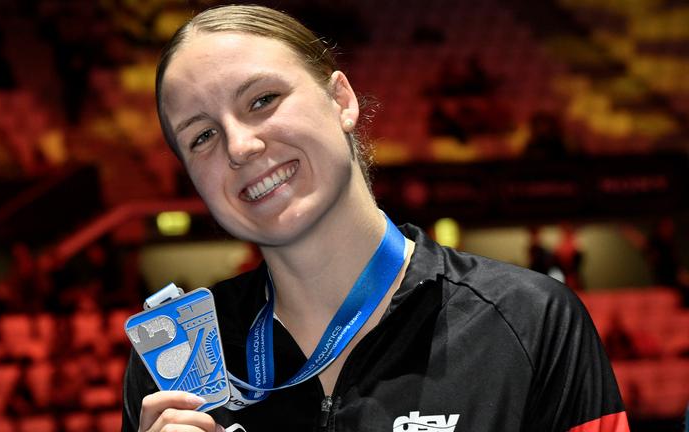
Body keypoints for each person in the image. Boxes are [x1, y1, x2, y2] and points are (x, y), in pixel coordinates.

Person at [122, 5, 628, 431]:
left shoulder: (529, 321)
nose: (240, 145)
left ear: (341, 100)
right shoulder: (176, 367)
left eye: (262, 100)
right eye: (201, 136)